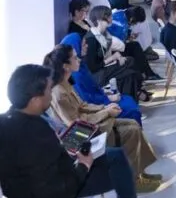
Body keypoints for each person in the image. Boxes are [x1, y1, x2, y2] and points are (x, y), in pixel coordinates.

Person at [0, 65, 147, 198]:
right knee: (121, 174)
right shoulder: (37, 135)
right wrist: (84, 164)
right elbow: (58, 188)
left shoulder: (8, 120)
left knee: (117, 158)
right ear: (36, 99)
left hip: (30, 195)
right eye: (49, 90)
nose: (51, 95)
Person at [44, 46, 161, 188]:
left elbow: (83, 106)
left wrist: (105, 108)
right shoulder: (59, 93)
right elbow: (75, 124)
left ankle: (139, 172)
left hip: (86, 127)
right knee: (131, 132)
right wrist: (106, 113)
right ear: (65, 66)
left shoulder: (66, 83)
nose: (79, 59)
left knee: (133, 124)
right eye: (75, 57)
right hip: (80, 136)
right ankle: (133, 182)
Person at [62, 33, 142, 126]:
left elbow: (93, 87)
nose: (86, 46)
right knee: (131, 108)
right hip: (96, 106)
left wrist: (105, 93)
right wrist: (108, 102)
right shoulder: (75, 76)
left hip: (99, 99)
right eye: (83, 45)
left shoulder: (81, 66)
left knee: (129, 97)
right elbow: (86, 100)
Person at [82, 6, 146, 102]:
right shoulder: (91, 39)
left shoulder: (103, 34)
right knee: (130, 72)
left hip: (104, 68)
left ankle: (134, 98)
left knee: (130, 63)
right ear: (99, 20)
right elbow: (93, 67)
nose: (111, 19)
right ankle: (135, 97)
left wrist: (116, 57)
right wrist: (113, 58)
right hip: (98, 75)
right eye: (108, 17)